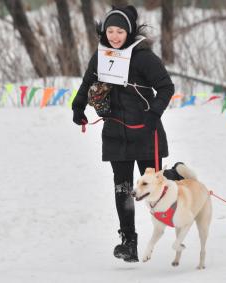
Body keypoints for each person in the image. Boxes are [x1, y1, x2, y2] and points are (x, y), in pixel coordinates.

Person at [71, 5, 174, 263]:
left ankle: (176, 220)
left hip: (145, 132)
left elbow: (166, 87)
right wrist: (78, 106)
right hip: (116, 133)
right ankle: (129, 241)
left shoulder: (143, 57)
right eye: (110, 31)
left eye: (120, 31)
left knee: (156, 189)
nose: (115, 36)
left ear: (129, 32)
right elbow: (86, 83)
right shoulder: (101, 56)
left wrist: (153, 114)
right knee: (123, 189)